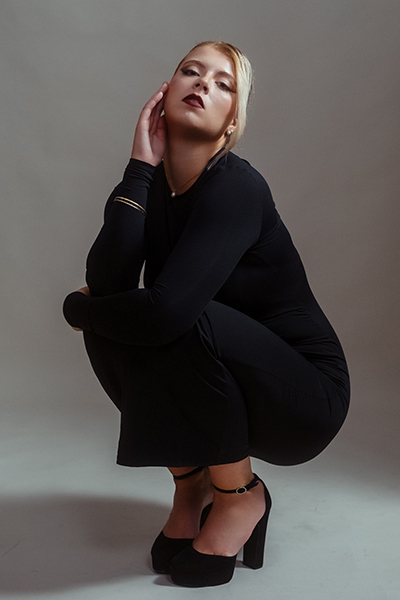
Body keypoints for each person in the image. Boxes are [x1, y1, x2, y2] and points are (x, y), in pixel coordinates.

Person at [63, 41, 350, 587]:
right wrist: (139, 167)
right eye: (190, 72)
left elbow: (159, 312)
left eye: (224, 84)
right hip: (224, 376)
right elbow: (110, 284)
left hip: (306, 396)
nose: (202, 84)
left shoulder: (237, 186)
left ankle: (241, 496)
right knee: (119, 323)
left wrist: (79, 308)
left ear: (232, 120)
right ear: (164, 93)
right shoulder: (155, 187)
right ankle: (191, 482)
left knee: (168, 315)